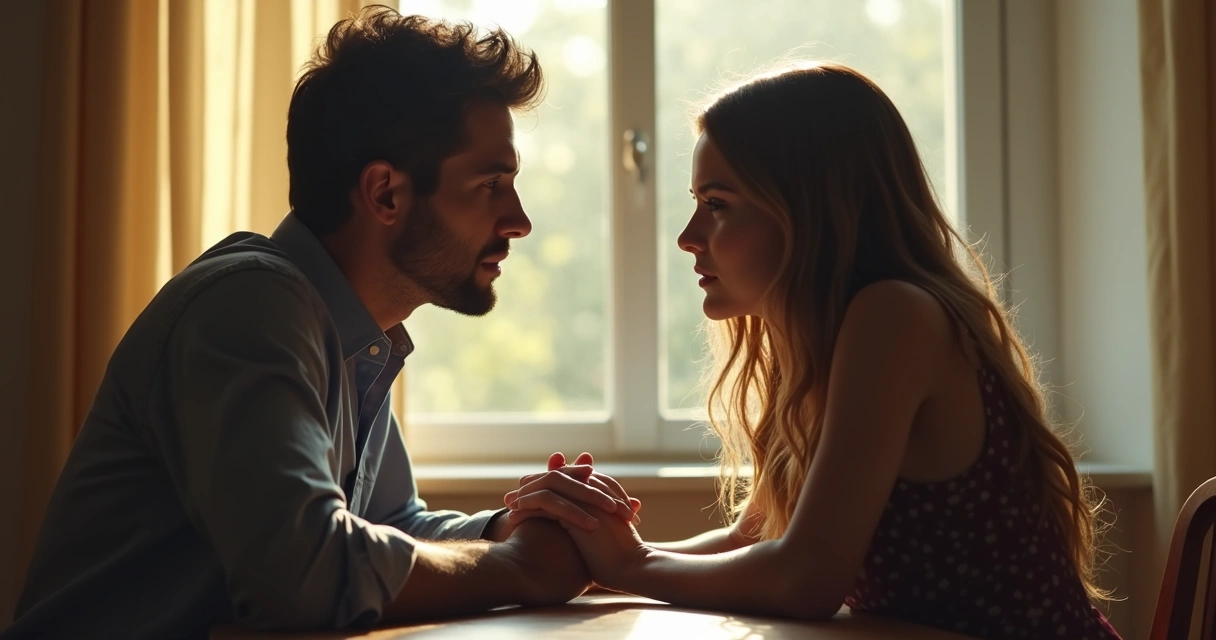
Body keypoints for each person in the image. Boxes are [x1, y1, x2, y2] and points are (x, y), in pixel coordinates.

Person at [4, 7, 638, 639]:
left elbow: (390, 525)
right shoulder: (251, 309)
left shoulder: (351, 335)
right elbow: (303, 571)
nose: (519, 220)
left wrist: (509, 529)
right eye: (490, 183)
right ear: (385, 193)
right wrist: (516, 567)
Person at [506, 62, 1122, 640]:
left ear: (812, 210)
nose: (688, 237)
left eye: (717, 205)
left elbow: (804, 580)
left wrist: (631, 565)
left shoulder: (895, 317)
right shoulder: (826, 348)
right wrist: (601, 554)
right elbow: (757, 537)